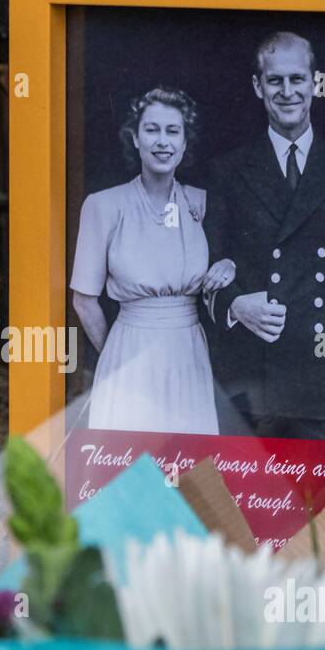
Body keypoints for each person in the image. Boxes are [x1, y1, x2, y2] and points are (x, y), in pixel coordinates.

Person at [202, 32, 325, 441]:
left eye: (297, 79)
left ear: (315, 82)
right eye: (275, 80)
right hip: (251, 376)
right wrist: (236, 304)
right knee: (244, 501)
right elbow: (205, 263)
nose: (287, 91)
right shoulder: (228, 170)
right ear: (258, 86)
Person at [70, 87, 234, 434]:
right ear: (134, 137)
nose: (163, 142)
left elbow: (232, 262)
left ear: (186, 142)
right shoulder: (103, 206)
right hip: (129, 349)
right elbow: (84, 301)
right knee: (131, 469)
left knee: (189, 470)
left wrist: (229, 264)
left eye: (173, 131)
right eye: (152, 129)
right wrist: (117, 356)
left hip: (188, 351)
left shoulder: (201, 205)